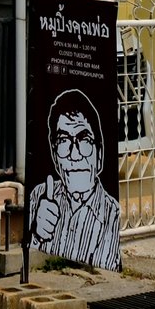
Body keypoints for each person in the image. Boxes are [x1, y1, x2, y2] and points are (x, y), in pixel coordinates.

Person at [29, 89, 122, 269]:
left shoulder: (112, 214)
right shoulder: (39, 197)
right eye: (64, 141)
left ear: (99, 154)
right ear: (55, 156)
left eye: (84, 140)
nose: (74, 154)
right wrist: (36, 232)